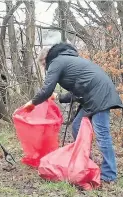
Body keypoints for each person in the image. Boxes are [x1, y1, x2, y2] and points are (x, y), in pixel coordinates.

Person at [24, 42, 123, 183]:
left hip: (99, 96)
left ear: (45, 60)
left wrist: (32, 103)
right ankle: (83, 162)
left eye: (44, 66)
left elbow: (46, 89)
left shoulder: (56, 61)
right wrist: (59, 96)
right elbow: (78, 90)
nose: (46, 68)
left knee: (102, 134)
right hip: (92, 96)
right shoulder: (68, 60)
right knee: (76, 125)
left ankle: (109, 174)